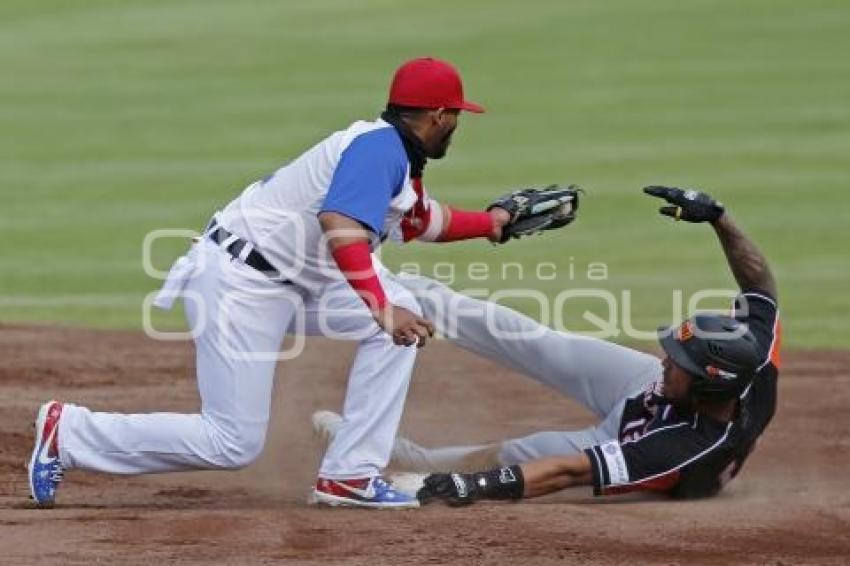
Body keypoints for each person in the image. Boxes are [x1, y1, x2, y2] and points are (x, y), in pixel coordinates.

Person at [28, 57, 522, 509]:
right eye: (456, 116)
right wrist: (378, 306)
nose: (457, 126)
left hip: (291, 282)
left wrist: (493, 223)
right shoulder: (378, 152)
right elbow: (341, 226)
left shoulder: (394, 157)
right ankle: (70, 432)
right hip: (242, 283)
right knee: (232, 443)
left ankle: (349, 475)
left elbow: (418, 221)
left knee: (402, 310)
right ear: (438, 116)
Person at [314, 186, 781, 504]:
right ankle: (411, 294)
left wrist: (454, 487)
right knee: (542, 344)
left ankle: (411, 463)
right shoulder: (751, 356)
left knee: (521, 453)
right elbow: (761, 286)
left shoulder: (676, 447)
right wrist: (719, 217)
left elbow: (565, 472)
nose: (665, 360)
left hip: (630, 442)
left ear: (706, 386)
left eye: (678, 363)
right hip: (654, 404)